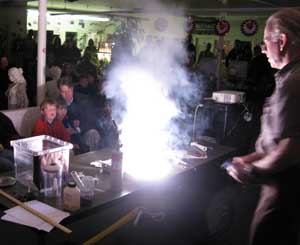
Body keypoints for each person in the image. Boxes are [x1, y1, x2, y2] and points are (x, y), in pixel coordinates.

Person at [226, 9, 300, 245]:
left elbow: (290, 150)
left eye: (265, 42)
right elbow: (277, 140)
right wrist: (250, 158)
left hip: (283, 193)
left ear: (282, 41)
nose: (263, 49)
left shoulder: (294, 83)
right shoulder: (288, 78)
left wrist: (252, 170)